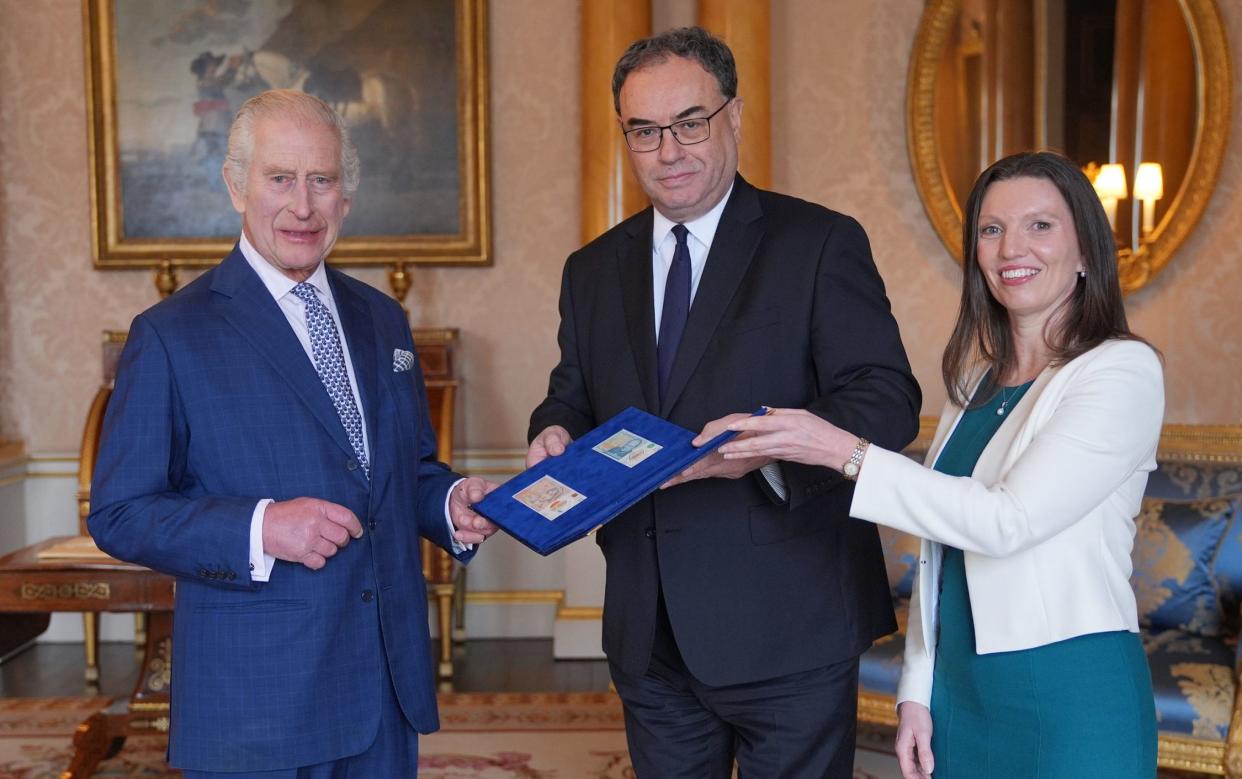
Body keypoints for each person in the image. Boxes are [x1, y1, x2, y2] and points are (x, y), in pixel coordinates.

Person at [526, 26, 921, 777]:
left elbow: (887, 400)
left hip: (791, 618)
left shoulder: (819, 242)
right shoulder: (592, 268)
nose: (667, 150)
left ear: (734, 116)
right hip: (651, 629)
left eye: (689, 122)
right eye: (645, 130)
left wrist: (768, 447)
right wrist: (552, 428)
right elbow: (575, 389)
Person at [88, 89, 499, 777]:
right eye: (280, 178)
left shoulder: (383, 320)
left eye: (323, 180)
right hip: (258, 703)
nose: (303, 206)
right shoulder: (170, 335)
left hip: (382, 690)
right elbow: (120, 512)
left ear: (347, 195)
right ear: (235, 185)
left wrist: (449, 502)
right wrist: (262, 527)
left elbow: (406, 469)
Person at [720, 150, 1164, 778]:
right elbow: (941, 552)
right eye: (992, 229)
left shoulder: (1121, 371)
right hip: (960, 692)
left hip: (1071, 689)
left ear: (1087, 250)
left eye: (1041, 225)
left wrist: (840, 451)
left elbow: (1005, 522)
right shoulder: (978, 381)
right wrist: (916, 692)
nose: (1013, 247)